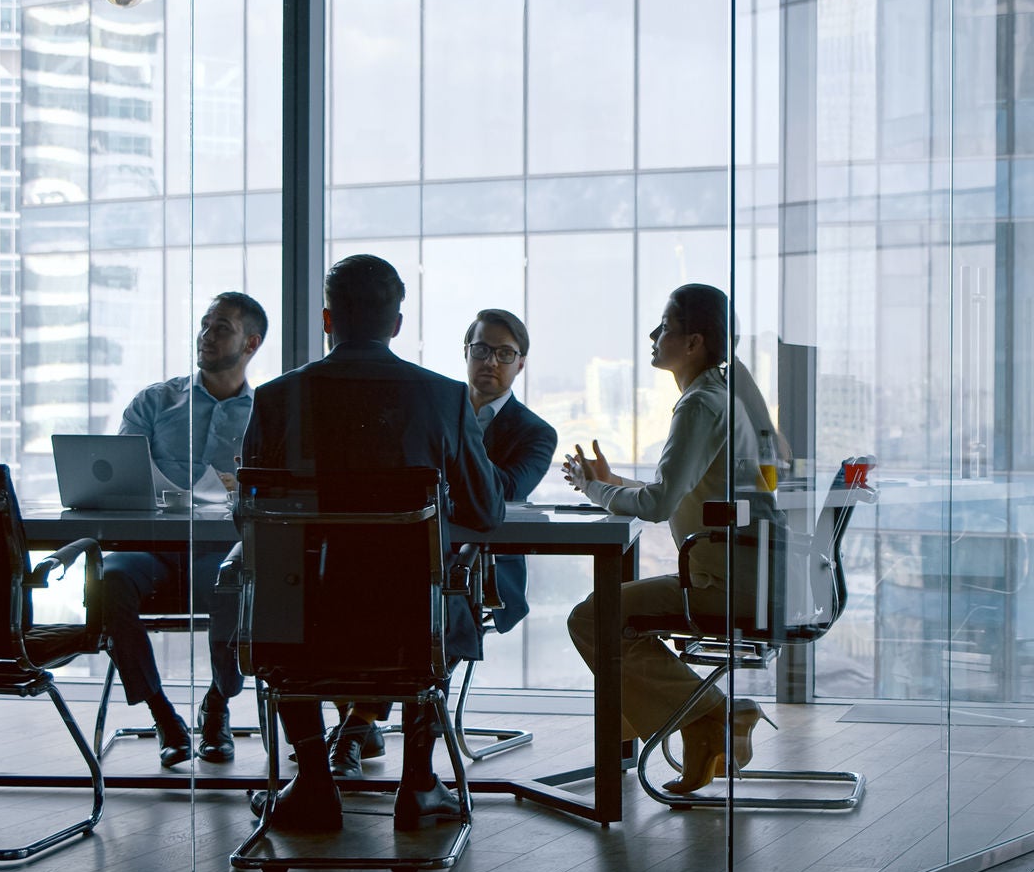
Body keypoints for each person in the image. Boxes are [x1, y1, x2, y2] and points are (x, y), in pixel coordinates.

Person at [239, 255, 505, 832]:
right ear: (397, 324)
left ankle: (312, 781)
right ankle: (418, 784)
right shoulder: (443, 398)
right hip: (409, 623)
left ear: (328, 319)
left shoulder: (278, 399)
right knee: (443, 598)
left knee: (279, 596)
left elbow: (252, 517)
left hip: (304, 624)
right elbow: (486, 512)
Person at [325, 308, 558, 778]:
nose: (490, 361)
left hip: (482, 572)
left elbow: (505, 490)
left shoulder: (534, 432)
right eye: (481, 350)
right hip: (410, 555)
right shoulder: (430, 410)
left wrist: (459, 433)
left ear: (521, 363)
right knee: (347, 590)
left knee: (427, 605)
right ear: (466, 353)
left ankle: (357, 727)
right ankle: (363, 727)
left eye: (505, 353)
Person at [562, 283, 769, 794]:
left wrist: (595, 491)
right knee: (610, 615)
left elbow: (656, 506)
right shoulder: (721, 397)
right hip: (743, 570)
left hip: (724, 578)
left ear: (693, 342)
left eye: (665, 327)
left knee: (592, 618)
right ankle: (701, 725)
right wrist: (613, 485)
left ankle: (710, 716)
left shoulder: (699, 404)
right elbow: (674, 494)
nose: (653, 336)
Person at [98, 291, 267, 767]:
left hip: (221, 553)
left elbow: (279, 489)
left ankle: (217, 703)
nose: (206, 336)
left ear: (251, 343)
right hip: (151, 552)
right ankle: (162, 714)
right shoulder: (154, 402)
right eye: (205, 325)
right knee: (108, 579)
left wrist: (246, 484)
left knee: (234, 579)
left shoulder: (266, 413)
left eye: (222, 329)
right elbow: (117, 475)